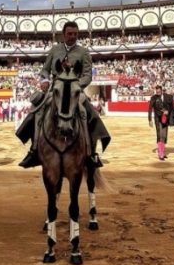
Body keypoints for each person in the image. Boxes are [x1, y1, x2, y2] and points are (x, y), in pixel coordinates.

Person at [15, 21, 110, 169]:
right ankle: (34, 149)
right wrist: (45, 80)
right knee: (37, 110)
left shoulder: (84, 52)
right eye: (70, 34)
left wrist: (75, 86)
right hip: (55, 90)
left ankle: (91, 152)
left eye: (75, 34)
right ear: (63, 35)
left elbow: (87, 75)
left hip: (75, 92)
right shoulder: (55, 50)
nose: (73, 36)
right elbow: (45, 70)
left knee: (89, 113)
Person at [147, 84, 174, 161]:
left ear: (162, 91)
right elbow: (150, 109)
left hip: (165, 118)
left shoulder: (167, 97)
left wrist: (168, 111)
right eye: (157, 92)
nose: (158, 93)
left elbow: (172, 107)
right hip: (157, 118)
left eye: (159, 92)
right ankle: (161, 153)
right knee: (159, 135)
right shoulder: (153, 98)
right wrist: (150, 119)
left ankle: (162, 151)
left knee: (164, 135)